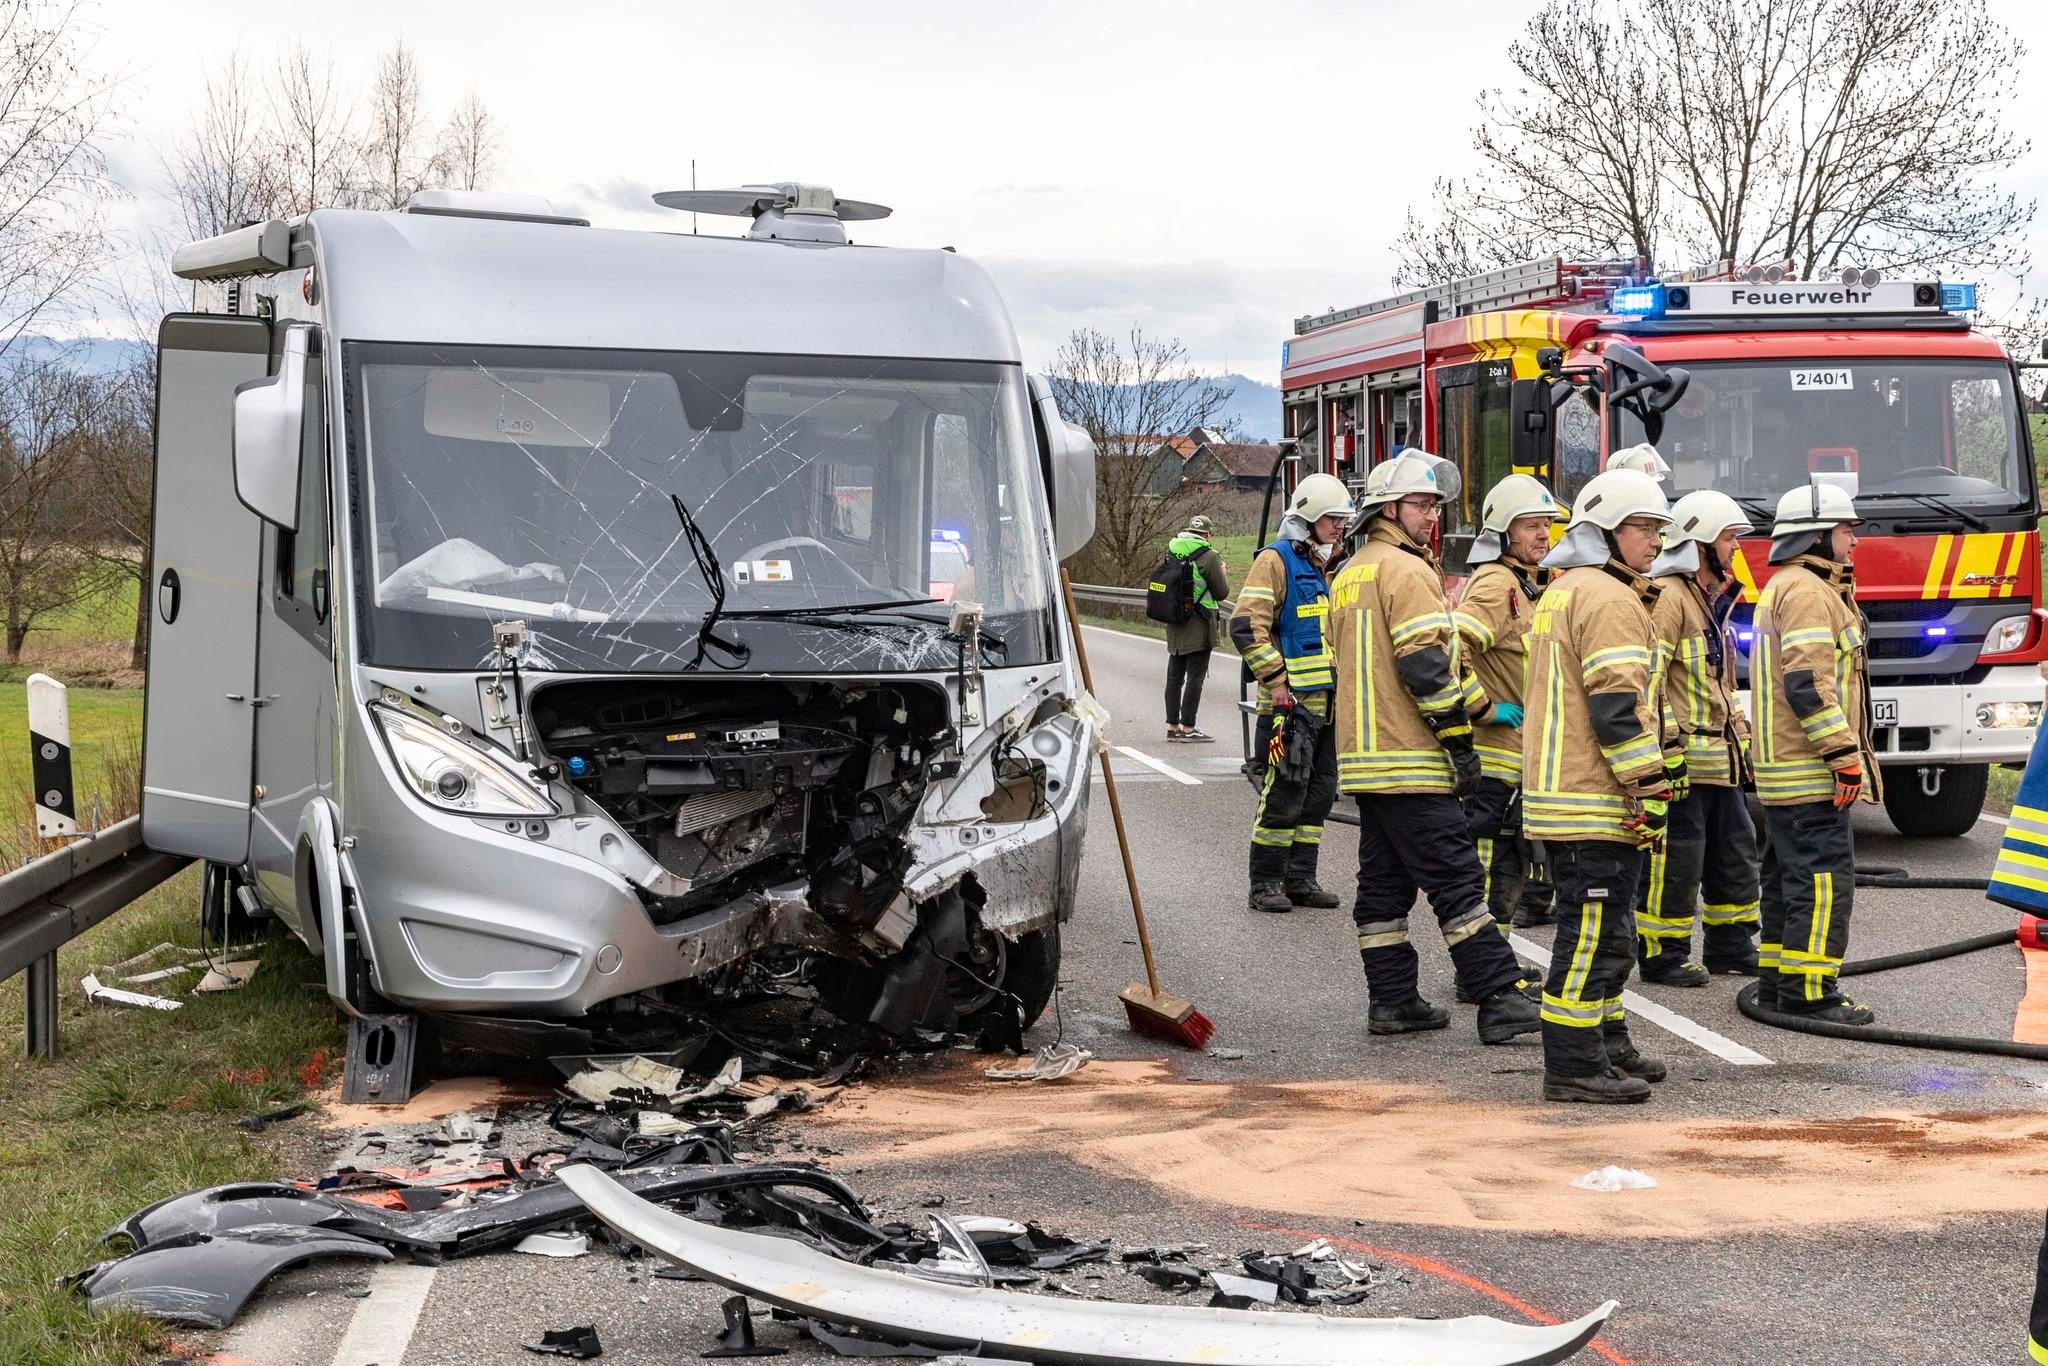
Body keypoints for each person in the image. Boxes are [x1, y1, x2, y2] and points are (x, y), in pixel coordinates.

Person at [1326, 452, 1544, 1043]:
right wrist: (1460, 742)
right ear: (1388, 509)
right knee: (1456, 878)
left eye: (1435, 506)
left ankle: (1393, 1000)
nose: (1432, 517)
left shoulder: (1348, 573)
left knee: (1384, 887)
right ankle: (1499, 996)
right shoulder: (1408, 571)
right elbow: (1427, 665)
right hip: (1412, 758)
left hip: (1365, 761)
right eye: (1422, 505)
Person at [1522, 467, 1676, 1103]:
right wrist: (1652, 787)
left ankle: (1608, 1044)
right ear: (1606, 532)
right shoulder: (1610, 598)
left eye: (1659, 529)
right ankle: (1573, 1064)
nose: (1655, 542)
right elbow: (1617, 709)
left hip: (1571, 792)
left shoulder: (1567, 588)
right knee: (1591, 936)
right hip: (1592, 796)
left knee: (1611, 933)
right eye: (1642, 528)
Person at [1751, 481, 1878, 1023]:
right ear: (1819, 536)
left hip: (1787, 769)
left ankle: (1781, 980)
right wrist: (1842, 754)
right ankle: (1811, 993)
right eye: (1847, 530)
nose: (1854, 541)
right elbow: (1807, 684)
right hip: (1808, 770)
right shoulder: (1806, 591)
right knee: (1824, 881)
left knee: (1788, 879)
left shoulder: (1795, 585)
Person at [1635, 490, 1764, 984]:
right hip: (1685, 757)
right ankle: (1662, 953)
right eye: (1729, 538)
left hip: (1722, 757)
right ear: (1700, 544)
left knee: (1735, 850)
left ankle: (1730, 945)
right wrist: (1666, 751)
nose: (1737, 548)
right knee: (1677, 858)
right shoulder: (1669, 598)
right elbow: (1651, 680)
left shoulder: (1712, 600)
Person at [1231, 472, 1353, 914]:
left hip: (1328, 704)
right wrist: (1278, 681)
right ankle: (1264, 883)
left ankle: (1301, 878)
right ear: (1307, 520)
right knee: (1283, 792)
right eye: (1331, 520)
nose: (1339, 528)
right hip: (1289, 705)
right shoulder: (1276, 561)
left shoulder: (1332, 566)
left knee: (1319, 794)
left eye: (1342, 520)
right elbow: (1245, 626)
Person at [1452, 474, 1566, 938]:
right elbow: (1450, 647)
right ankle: (1480, 970)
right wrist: (1484, 710)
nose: (1543, 534)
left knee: (1512, 869)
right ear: (1504, 531)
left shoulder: (1530, 584)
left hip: (1521, 759)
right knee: (1488, 871)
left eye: (1546, 525)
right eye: (1531, 525)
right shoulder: (1499, 584)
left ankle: (1496, 965)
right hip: (1494, 761)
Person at [1163, 515, 1230, 743]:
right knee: (1195, 677)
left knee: (1174, 676)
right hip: (1200, 621)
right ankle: (1189, 727)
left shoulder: (1172, 549)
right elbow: (1221, 592)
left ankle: (1172, 726)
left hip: (1175, 618)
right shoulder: (1209, 556)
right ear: (1208, 535)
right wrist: (1223, 572)